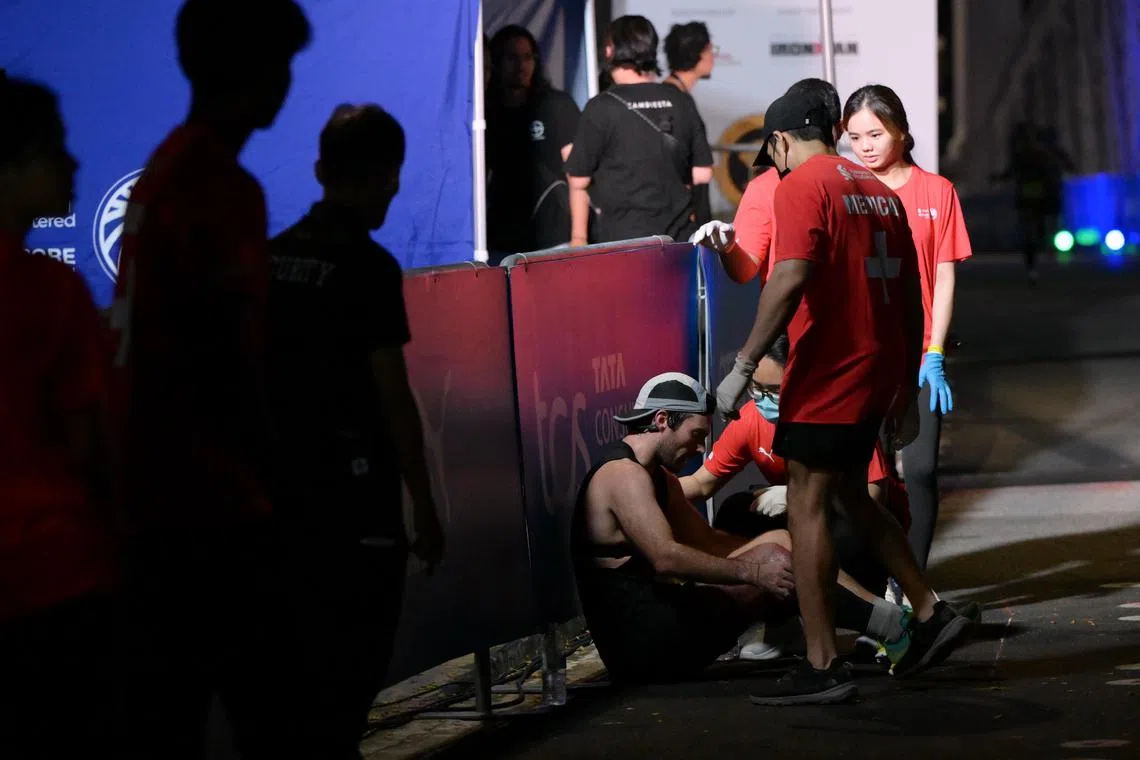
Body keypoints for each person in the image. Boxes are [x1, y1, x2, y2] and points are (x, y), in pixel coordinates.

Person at [713, 91, 973, 705]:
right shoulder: (879, 191)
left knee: (806, 506)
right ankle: (930, 610)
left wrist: (745, 363)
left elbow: (788, 275)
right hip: (876, 370)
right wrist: (905, 381)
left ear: (779, 141)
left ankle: (822, 661)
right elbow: (912, 291)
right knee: (852, 495)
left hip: (827, 374)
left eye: (772, 154)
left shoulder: (801, 185)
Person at [107, 2, 311, 756]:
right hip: (212, 500)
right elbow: (224, 355)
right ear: (250, 71)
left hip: (157, 498)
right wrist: (278, 483)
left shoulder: (166, 167)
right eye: (280, 65)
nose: (287, 83)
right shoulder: (219, 187)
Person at [265, 103, 445, 758]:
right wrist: (423, 502)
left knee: (293, 687)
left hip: (277, 499)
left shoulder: (272, 258)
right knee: (348, 679)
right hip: (352, 503)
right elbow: (392, 395)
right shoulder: (367, 268)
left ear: (320, 170)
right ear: (390, 178)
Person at [573, 373, 915, 686]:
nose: (700, 448)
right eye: (696, 435)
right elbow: (667, 557)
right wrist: (755, 572)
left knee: (781, 542)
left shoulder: (658, 477)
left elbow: (708, 540)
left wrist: (777, 551)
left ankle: (892, 620)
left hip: (664, 620)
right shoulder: (623, 475)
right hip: (642, 649)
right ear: (662, 421)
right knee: (773, 560)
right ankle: (894, 629)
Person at [0, 70, 121, 758]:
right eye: (54, 149)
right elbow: (91, 446)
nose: (73, 165)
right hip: (55, 584)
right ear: (10, 166)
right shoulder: (50, 291)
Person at [843, 84, 972, 572]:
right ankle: (879, 583)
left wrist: (935, 351)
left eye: (875, 134)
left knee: (919, 470)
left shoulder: (937, 192)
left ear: (900, 130)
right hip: (862, 359)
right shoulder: (847, 190)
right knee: (870, 479)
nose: (865, 146)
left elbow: (944, 275)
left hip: (919, 357)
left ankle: (914, 587)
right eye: (855, 137)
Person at [565, 15, 713, 246]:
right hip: (678, 241)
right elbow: (703, 173)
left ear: (609, 51)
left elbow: (578, 180)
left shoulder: (601, 107)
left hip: (624, 243)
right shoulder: (680, 99)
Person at [690, 78, 842, 284]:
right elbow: (745, 268)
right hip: (793, 304)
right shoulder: (765, 187)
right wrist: (728, 248)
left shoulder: (860, 180)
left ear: (839, 129)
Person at [485, 25, 581, 258]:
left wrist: (579, 237)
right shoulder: (484, 113)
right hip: (502, 240)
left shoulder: (556, 105)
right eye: (512, 58)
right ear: (496, 63)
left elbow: (578, 173)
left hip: (554, 238)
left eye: (527, 57)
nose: (521, 65)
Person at [663, 21, 716, 226]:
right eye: (710, 50)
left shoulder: (677, 95)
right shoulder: (677, 99)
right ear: (697, 54)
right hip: (683, 218)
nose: (713, 57)